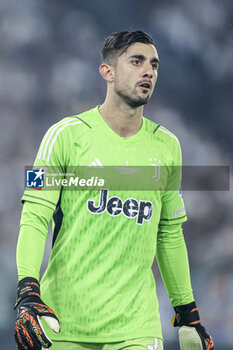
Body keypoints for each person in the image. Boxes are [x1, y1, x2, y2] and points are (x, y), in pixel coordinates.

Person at [14, 31, 214, 350]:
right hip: (65, 323)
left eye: (154, 64)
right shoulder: (63, 137)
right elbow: (35, 217)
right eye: (136, 61)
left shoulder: (167, 147)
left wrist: (187, 311)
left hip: (137, 326)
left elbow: (169, 233)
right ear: (107, 72)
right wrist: (28, 289)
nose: (148, 70)